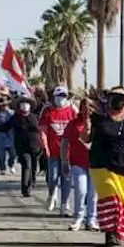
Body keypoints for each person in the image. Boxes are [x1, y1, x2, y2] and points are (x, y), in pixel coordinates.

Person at [84, 87, 124, 247]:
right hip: (101, 165)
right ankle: (110, 233)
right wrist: (86, 125)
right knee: (111, 199)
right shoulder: (99, 117)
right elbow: (87, 138)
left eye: (121, 98)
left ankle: (118, 231)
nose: (117, 100)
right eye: (114, 97)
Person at [41, 86, 78, 214]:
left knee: (66, 178)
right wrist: (45, 146)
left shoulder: (72, 110)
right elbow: (43, 130)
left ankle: (64, 204)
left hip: (68, 153)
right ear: (54, 97)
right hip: (53, 151)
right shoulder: (47, 110)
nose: (62, 99)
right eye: (59, 96)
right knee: (52, 177)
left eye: (64, 96)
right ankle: (52, 195)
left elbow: (78, 128)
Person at [63, 99, 98, 232]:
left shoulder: (98, 124)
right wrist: (64, 161)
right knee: (80, 191)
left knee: (92, 194)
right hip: (78, 163)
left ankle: (91, 220)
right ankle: (78, 218)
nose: (87, 109)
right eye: (85, 107)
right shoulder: (73, 124)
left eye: (90, 107)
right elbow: (65, 142)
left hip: (94, 163)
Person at [10, 96, 44, 198]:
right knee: (26, 165)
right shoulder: (15, 118)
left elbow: (42, 129)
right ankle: (25, 189)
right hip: (22, 147)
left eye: (26, 103)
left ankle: (32, 182)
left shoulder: (35, 117)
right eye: (22, 103)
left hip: (36, 147)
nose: (25, 105)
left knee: (33, 166)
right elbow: (5, 126)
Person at [0, 96, 15, 175]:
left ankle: (11, 165)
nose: (4, 106)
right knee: (1, 155)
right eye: (2, 105)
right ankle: (2, 168)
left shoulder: (12, 113)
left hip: (10, 136)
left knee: (12, 154)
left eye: (5, 105)